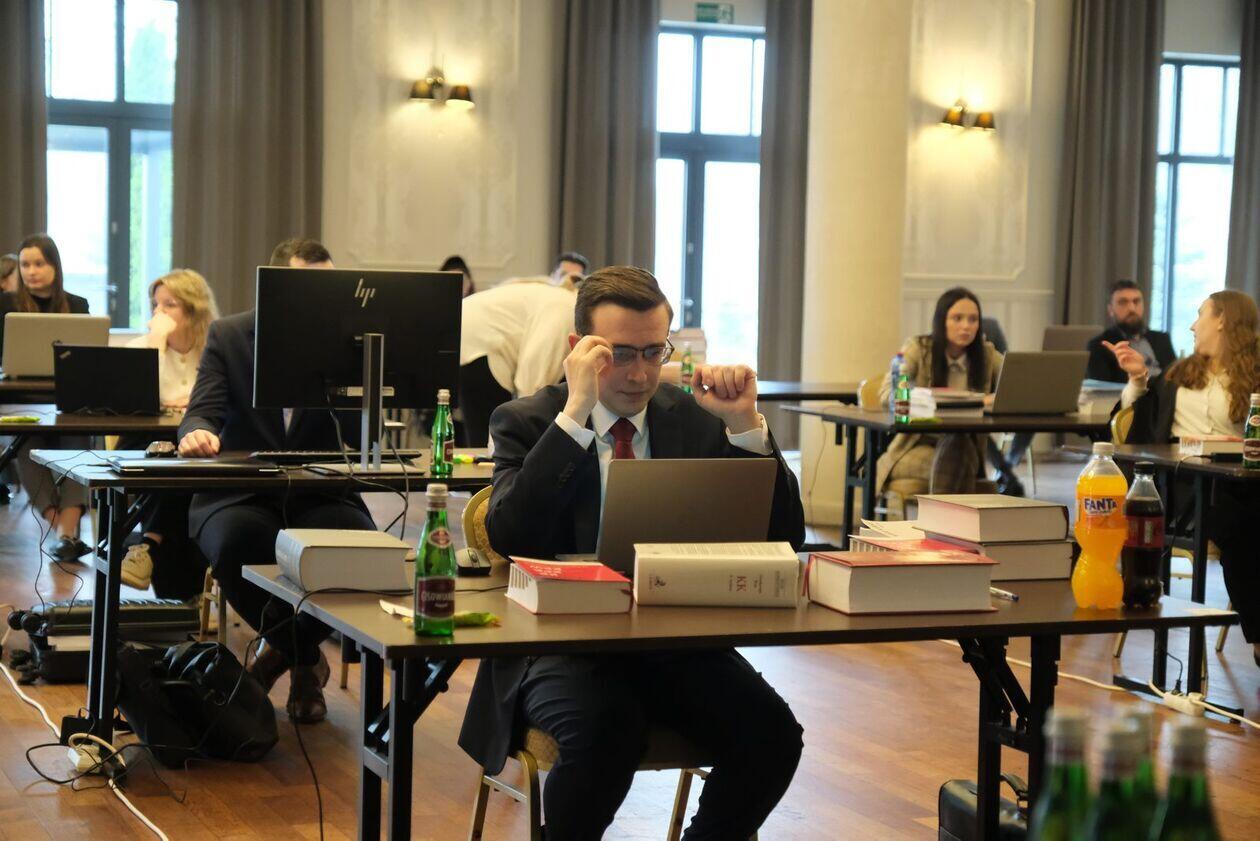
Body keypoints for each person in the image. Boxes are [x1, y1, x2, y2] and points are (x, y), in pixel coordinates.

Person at [458, 266, 805, 840]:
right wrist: (575, 413)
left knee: (772, 735)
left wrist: (745, 426)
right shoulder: (530, 420)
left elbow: (785, 537)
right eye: (619, 354)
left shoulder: (695, 419)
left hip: (674, 643)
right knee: (606, 731)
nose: (640, 374)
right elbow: (512, 533)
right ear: (579, 348)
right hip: (559, 645)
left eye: (652, 351)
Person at [178, 238, 376, 722]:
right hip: (242, 492)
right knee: (237, 541)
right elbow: (201, 412)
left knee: (354, 546)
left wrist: (365, 375)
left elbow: (361, 433)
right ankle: (305, 660)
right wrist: (197, 432)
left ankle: (276, 656)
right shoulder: (230, 335)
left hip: (319, 491)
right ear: (273, 287)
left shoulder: (348, 341)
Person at [1106, 289, 1260, 668]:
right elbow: (1136, 430)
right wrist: (1138, 378)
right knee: (1245, 530)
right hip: (1184, 489)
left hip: (1244, 483)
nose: (1193, 325)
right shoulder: (1179, 375)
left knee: (1248, 519)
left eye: (1200, 314)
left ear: (1222, 320)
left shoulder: (1255, 375)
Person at [117, 269, 219, 596]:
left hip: (199, 453)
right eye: (155, 305)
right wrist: (157, 345)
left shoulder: (216, 350)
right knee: (176, 462)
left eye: (169, 305)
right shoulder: (141, 348)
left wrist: (192, 405)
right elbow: (133, 403)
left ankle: (148, 545)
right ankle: (183, 596)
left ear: (193, 309)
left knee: (184, 466)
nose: (158, 313)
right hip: (143, 448)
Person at [1, 235, 91, 562]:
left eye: (39, 263)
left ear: (55, 266)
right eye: (25, 264)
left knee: (79, 445)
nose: (31, 271)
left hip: (67, 400)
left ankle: (64, 534)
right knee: (27, 447)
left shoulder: (78, 305)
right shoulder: (5, 305)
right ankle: (64, 533)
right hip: (19, 399)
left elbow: (88, 359)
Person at [877, 287, 1003, 494]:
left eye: (973, 319)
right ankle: (955, 514)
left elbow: (1016, 380)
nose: (966, 326)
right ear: (941, 320)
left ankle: (939, 515)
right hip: (914, 447)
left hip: (966, 448)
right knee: (961, 465)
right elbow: (887, 392)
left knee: (958, 448)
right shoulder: (917, 348)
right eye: (957, 318)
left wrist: (996, 399)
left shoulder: (987, 354)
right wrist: (916, 398)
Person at [458, 277, 578, 445]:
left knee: (484, 444)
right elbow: (533, 383)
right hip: (481, 342)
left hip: (466, 331)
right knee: (494, 444)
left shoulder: (560, 298)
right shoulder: (568, 309)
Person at [1087, 279, 1176, 383]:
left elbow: (1176, 376)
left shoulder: (1162, 338)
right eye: (1123, 302)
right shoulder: (1100, 345)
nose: (1132, 308)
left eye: (1136, 301)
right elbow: (1103, 389)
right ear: (1111, 310)